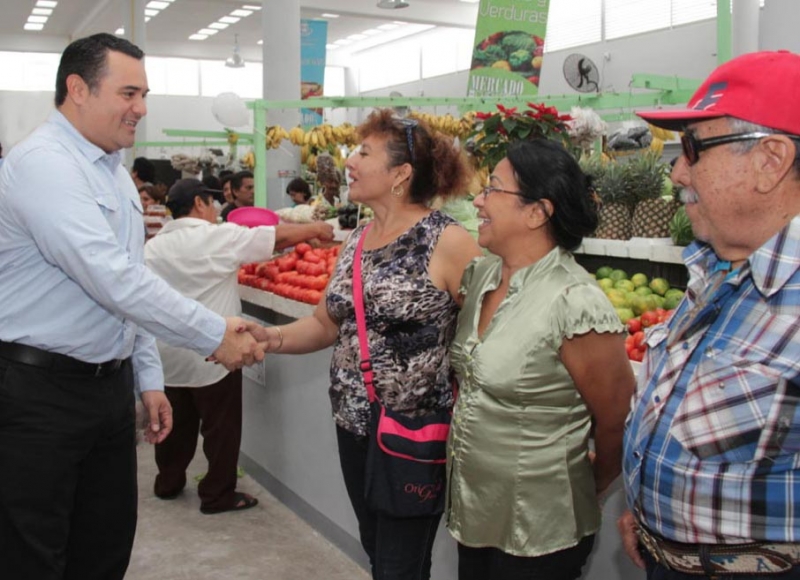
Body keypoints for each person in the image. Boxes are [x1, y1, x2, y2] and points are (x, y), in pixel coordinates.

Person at [0, 33, 266, 580]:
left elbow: (132, 276)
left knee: (104, 545)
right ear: (77, 89)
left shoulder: (112, 171)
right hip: (37, 395)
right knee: (35, 552)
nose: (141, 109)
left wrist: (146, 376)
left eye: (144, 94)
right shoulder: (44, 166)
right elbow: (111, 278)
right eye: (128, 93)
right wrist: (212, 331)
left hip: (105, 389)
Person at [249, 109, 482, 580]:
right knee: (378, 551)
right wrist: (269, 337)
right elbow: (326, 322)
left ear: (400, 174)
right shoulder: (358, 239)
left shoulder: (449, 243)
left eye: (363, 153)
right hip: (354, 424)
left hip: (414, 435)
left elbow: (487, 334)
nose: (349, 162)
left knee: (398, 566)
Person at [618, 50, 800, 579]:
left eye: (693, 148)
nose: (677, 170)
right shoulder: (718, 269)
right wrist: (649, 514)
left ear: (771, 160)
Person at [447, 139, 634, 580]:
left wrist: (596, 481)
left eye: (493, 188)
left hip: (540, 525)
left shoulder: (574, 301)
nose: (478, 199)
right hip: (476, 509)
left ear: (537, 212)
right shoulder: (482, 277)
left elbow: (617, 417)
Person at [145, 179, 334, 514]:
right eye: (212, 203)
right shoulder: (214, 236)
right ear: (200, 204)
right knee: (221, 428)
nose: (216, 210)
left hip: (166, 353)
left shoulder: (153, 246)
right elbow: (275, 236)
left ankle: (168, 482)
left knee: (174, 424)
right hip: (215, 353)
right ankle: (216, 495)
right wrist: (319, 227)